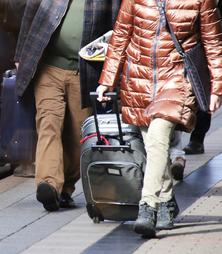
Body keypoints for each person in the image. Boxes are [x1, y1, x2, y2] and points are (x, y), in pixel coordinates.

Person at [96, 0, 222, 238]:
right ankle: (166, 203)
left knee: (157, 137)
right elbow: (121, 35)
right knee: (155, 147)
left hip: (177, 78)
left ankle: (148, 207)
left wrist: (217, 88)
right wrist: (107, 80)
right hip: (139, 80)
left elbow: (213, 42)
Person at [15, 0, 121, 211]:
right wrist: (20, 55)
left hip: (84, 71)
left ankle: (65, 189)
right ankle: (49, 184)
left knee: (76, 133)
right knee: (48, 122)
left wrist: (112, 71)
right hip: (48, 68)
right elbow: (30, 14)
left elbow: (118, 27)